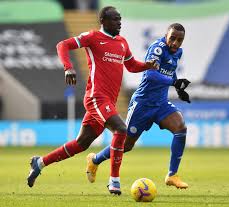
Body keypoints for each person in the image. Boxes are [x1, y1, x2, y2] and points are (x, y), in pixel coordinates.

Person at [27, 6, 158, 195]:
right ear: (103, 21)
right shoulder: (93, 37)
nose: (119, 23)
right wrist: (68, 67)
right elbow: (62, 45)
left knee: (81, 143)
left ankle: (39, 163)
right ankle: (114, 181)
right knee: (121, 130)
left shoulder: (122, 42)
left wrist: (147, 65)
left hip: (108, 102)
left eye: (120, 19)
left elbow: (131, 65)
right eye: (114, 19)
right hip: (96, 97)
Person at [86, 23, 191, 189]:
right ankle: (95, 160)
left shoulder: (178, 52)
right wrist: (174, 82)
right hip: (142, 104)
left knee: (181, 128)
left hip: (161, 103)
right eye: (172, 38)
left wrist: (178, 88)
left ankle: (172, 175)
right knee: (126, 145)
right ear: (166, 35)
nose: (176, 43)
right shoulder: (157, 49)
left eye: (180, 40)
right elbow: (150, 74)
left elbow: (171, 71)